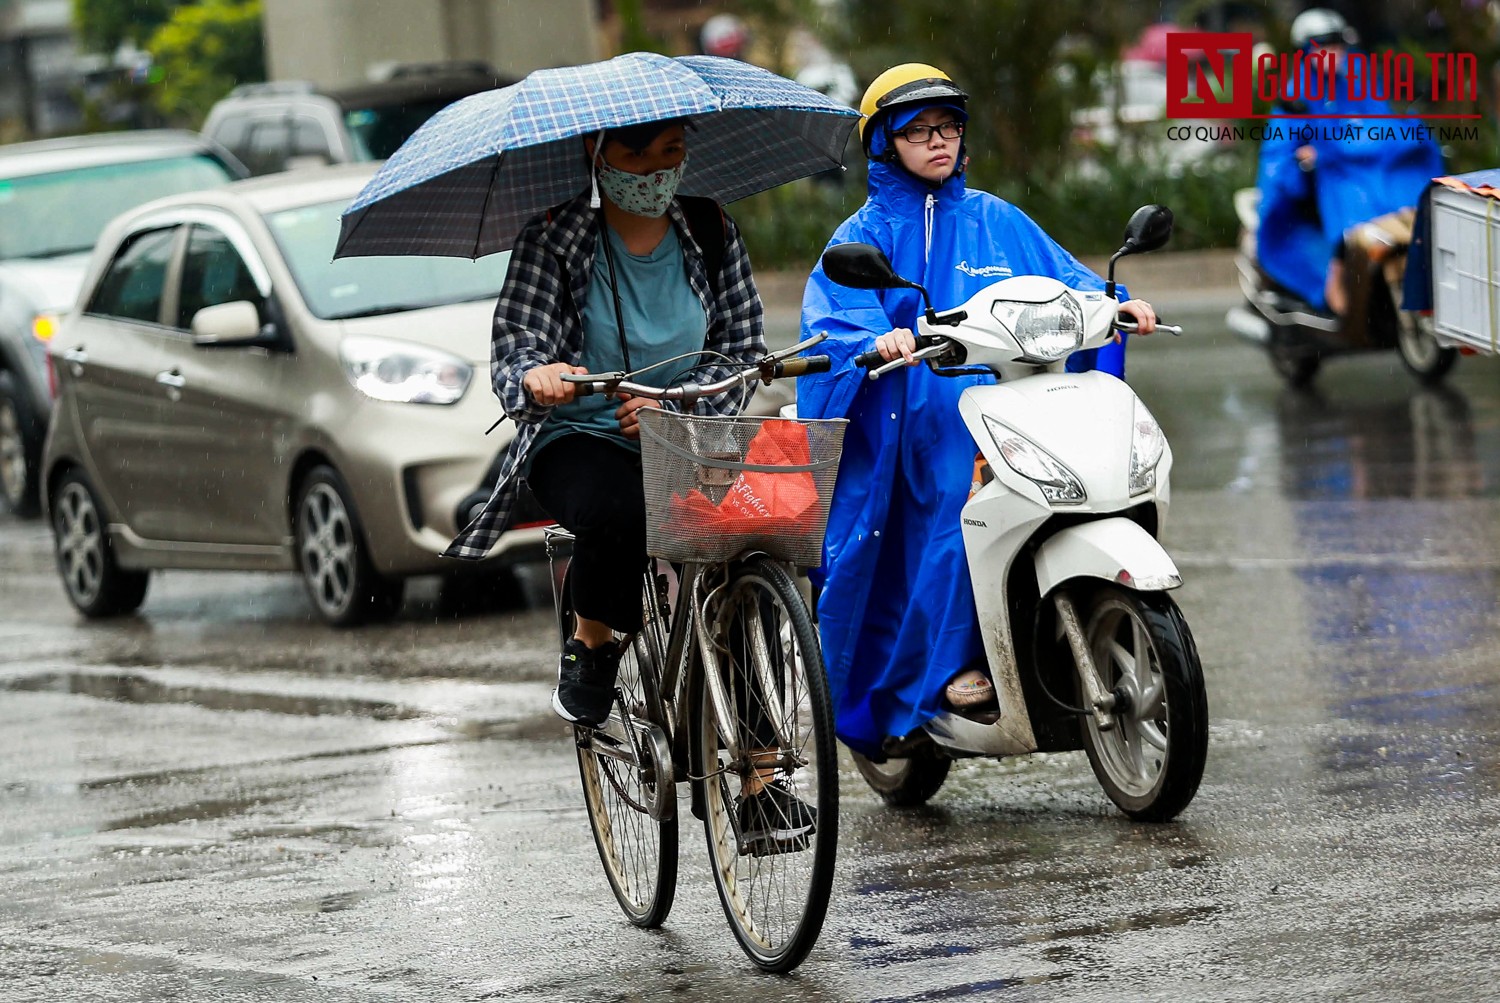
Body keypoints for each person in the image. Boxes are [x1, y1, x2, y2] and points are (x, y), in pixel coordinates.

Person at [443, 117, 813, 840]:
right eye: (637, 155)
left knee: (749, 550)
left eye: (672, 152)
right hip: (578, 436)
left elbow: (740, 346)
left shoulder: (708, 229)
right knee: (616, 510)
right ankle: (592, 643)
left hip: (686, 433)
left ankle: (761, 779)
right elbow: (517, 346)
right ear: (597, 154)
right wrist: (542, 376)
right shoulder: (555, 237)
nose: (656, 170)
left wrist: (685, 404)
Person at [797, 63, 1159, 757]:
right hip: (919, 417)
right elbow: (835, 321)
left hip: (1019, 401)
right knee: (963, 498)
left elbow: (1070, 279)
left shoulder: (997, 217)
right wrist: (880, 337)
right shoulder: (865, 233)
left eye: (950, 126)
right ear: (883, 144)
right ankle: (953, 663)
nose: (940, 142)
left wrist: (1119, 302)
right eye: (919, 131)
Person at [1254, 8, 1444, 314]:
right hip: (1331, 183)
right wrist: (1303, 158)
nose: (1333, 53)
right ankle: (1336, 281)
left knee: (1406, 202)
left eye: (1337, 45)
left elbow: (1382, 124)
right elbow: (1280, 149)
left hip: (1365, 173)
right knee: (1348, 223)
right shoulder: (1295, 93)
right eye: (1324, 46)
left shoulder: (1359, 78)